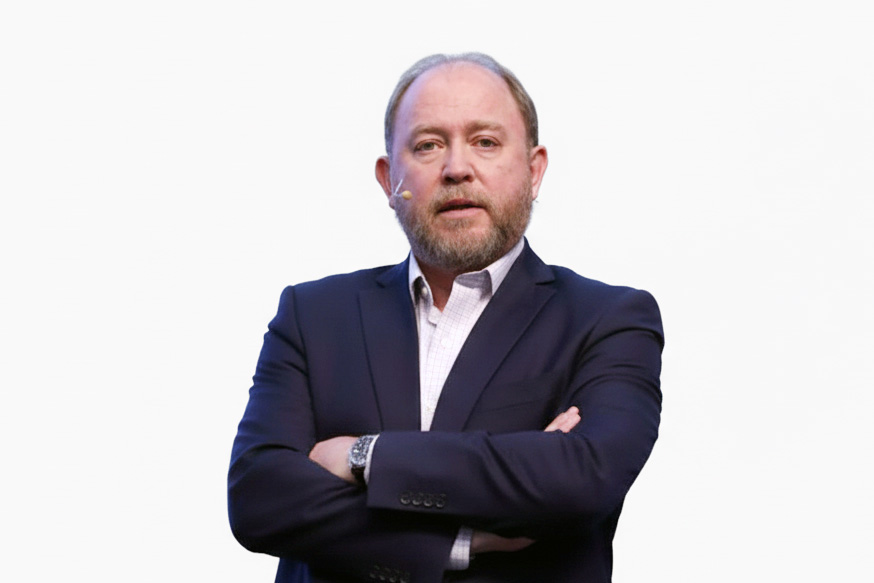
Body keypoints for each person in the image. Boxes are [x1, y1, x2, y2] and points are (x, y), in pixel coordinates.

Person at [228, 52, 664, 583]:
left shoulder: (608, 320)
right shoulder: (313, 315)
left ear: (533, 171)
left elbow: (584, 478)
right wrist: (461, 539)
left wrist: (365, 456)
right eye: (428, 145)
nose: (457, 168)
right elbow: (258, 498)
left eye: (486, 142)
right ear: (389, 180)